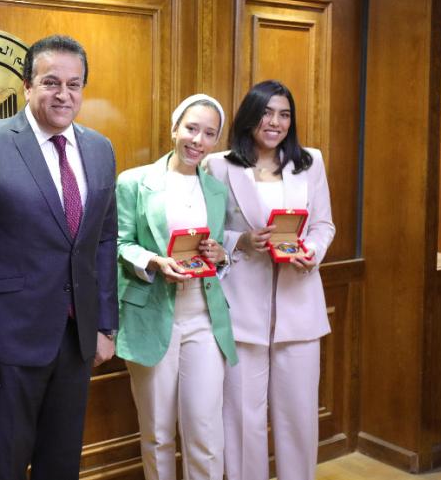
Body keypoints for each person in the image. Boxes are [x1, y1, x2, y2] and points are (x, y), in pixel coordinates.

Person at [0, 34, 118, 480]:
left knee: (61, 467)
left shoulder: (99, 149)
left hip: (76, 339)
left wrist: (103, 324)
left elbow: (102, 241)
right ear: (26, 85)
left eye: (74, 84)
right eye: (51, 82)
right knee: (5, 466)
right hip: (8, 345)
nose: (64, 95)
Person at [204, 80, 335, 480]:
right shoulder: (220, 165)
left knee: (298, 419)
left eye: (284, 114)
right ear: (250, 117)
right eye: (266, 113)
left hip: (299, 309)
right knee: (242, 420)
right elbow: (208, 234)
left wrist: (310, 252)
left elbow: (324, 225)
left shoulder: (310, 162)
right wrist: (241, 240)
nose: (274, 122)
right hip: (242, 312)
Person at [115, 94, 238, 480]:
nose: (197, 140)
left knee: (205, 432)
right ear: (174, 128)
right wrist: (153, 261)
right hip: (151, 318)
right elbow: (118, 245)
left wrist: (219, 255)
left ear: (216, 141)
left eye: (209, 134)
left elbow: (218, 256)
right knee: (157, 434)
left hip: (205, 320)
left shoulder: (216, 190)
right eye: (191, 128)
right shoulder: (134, 181)